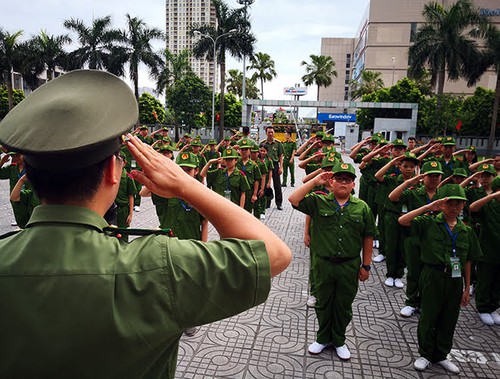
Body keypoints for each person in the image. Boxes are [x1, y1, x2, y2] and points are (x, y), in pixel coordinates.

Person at [0, 70, 292, 378]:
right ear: (113, 174)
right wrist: (185, 185)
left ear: (29, 176)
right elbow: (274, 253)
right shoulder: (158, 266)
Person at [289, 162, 377, 361]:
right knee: (323, 303)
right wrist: (315, 181)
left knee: (343, 305)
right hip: (324, 264)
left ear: (353, 185)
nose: (343, 183)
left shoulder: (362, 208)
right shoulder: (319, 202)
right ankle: (322, 338)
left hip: (349, 265)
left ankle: (338, 340)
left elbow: (368, 237)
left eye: (348, 180)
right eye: (339, 179)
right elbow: (293, 199)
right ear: (332, 182)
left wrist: (366, 265)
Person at [398, 184, 482, 374]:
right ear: (441, 204)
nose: (454, 207)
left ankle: (441, 355)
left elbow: (468, 260)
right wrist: (428, 207)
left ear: (463, 206)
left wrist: (467, 287)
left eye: (458, 204)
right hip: (432, 275)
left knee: (449, 318)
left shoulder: (466, 231)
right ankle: (425, 354)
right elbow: (403, 220)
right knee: (429, 315)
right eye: (449, 203)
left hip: (454, 278)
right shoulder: (428, 223)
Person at [388, 161, 443, 317]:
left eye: (437, 176)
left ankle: (425, 303)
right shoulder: (413, 192)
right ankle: (412, 302)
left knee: (432, 274)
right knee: (414, 272)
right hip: (414, 238)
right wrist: (408, 182)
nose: (434, 179)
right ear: (422, 177)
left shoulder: (443, 195)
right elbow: (393, 197)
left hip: (436, 241)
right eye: (430, 176)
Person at [469, 177, 500, 325]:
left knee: (498, 283)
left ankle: (493, 307)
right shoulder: (489, 205)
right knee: (485, 281)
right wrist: (492, 196)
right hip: (488, 251)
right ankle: (483, 308)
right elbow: (472, 208)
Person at [260, 126, 284, 210]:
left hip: (275, 165)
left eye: (272, 132)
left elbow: (281, 156)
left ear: (274, 133)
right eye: (269, 132)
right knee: (266, 183)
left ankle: (279, 203)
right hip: (266, 165)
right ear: (266, 133)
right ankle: (267, 202)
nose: (270, 134)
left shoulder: (278, 143)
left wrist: (281, 167)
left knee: (277, 185)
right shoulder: (263, 143)